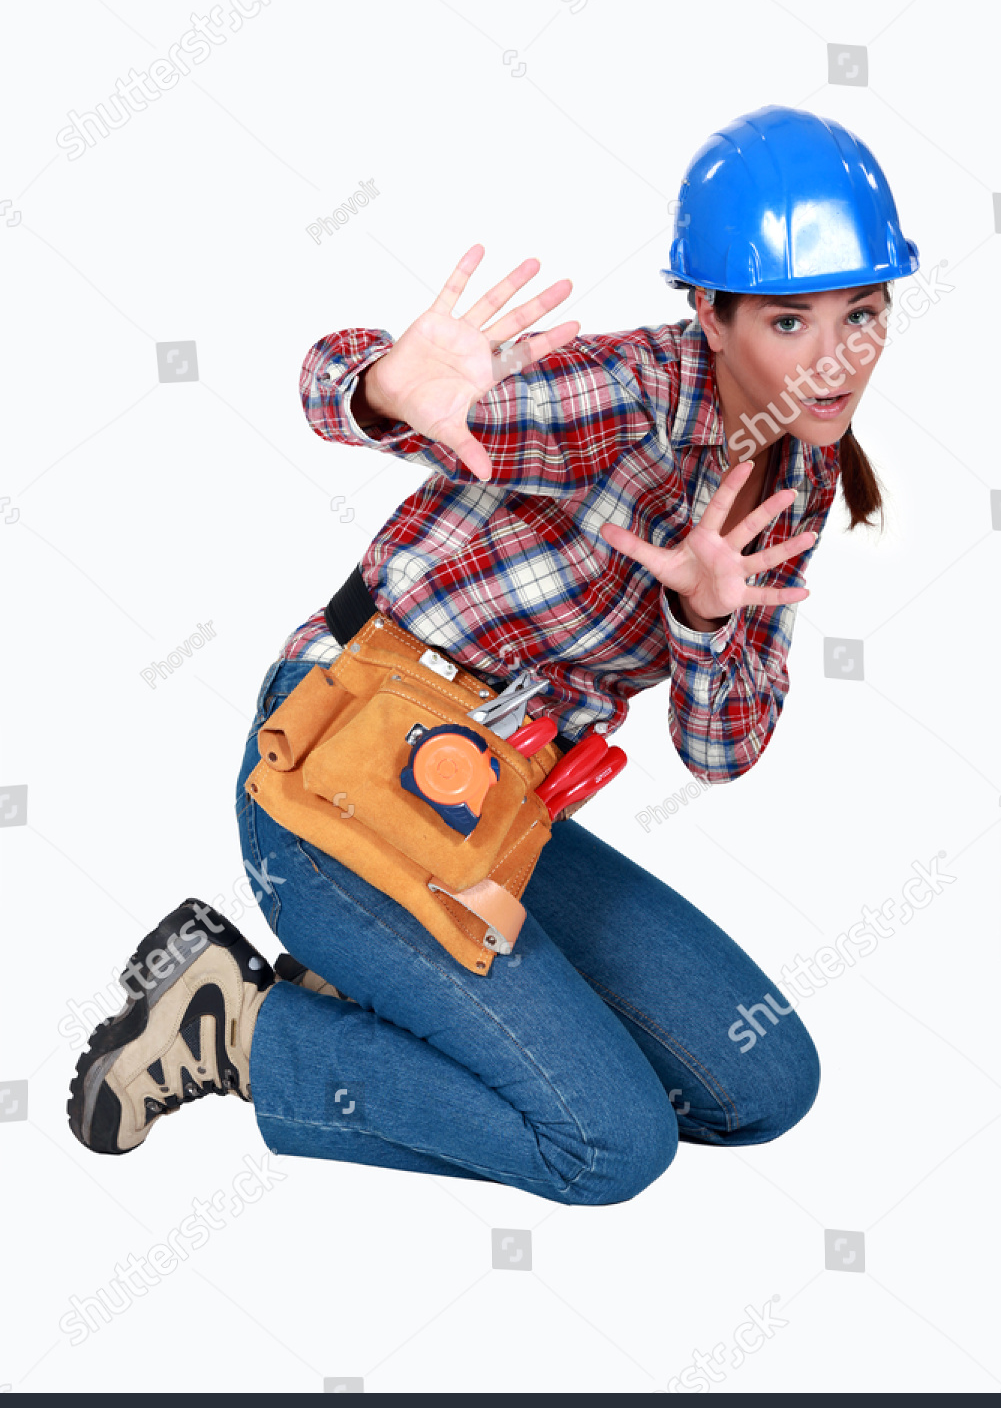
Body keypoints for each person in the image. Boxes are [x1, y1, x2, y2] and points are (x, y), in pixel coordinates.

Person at [68, 106, 919, 1207]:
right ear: (710, 312)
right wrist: (386, 386)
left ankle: (385, 982)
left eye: (862, 313)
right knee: (608, 1147)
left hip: (491, 798)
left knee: (758, 1080)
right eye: (790, 321)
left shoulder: (794, 482)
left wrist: (705, 621)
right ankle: (238, 1026)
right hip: (342, 764)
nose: (835, 357)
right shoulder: (622, 399)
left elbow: (722, 750)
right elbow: (340, 386)